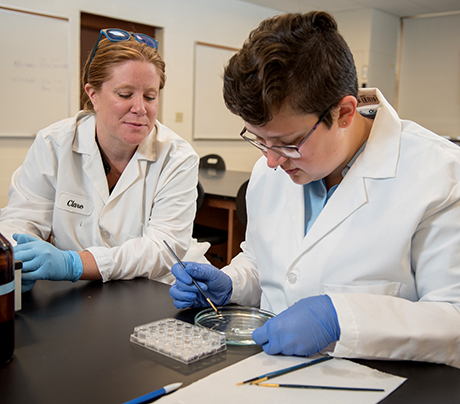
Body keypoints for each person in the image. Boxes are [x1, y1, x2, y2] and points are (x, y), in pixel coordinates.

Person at [169, 12, 460, 368]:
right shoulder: (271, 169)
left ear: (345, 113)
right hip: (264, 372)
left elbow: (453, 317)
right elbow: (266, 262)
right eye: (259, 141)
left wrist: (341, 319)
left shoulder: (442, 175)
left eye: (288, 143)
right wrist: (231, 283)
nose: (272, 161)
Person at [0, 29, 207, 292]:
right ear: (93, 95)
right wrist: (17, 260)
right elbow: (19, 220)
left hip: (154, 291)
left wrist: (74, 263)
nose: (140, 108)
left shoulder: (178, 157)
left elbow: (162, 249)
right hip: (79, 295)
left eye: (150, 96)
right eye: (125, 94)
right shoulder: (54, 144)